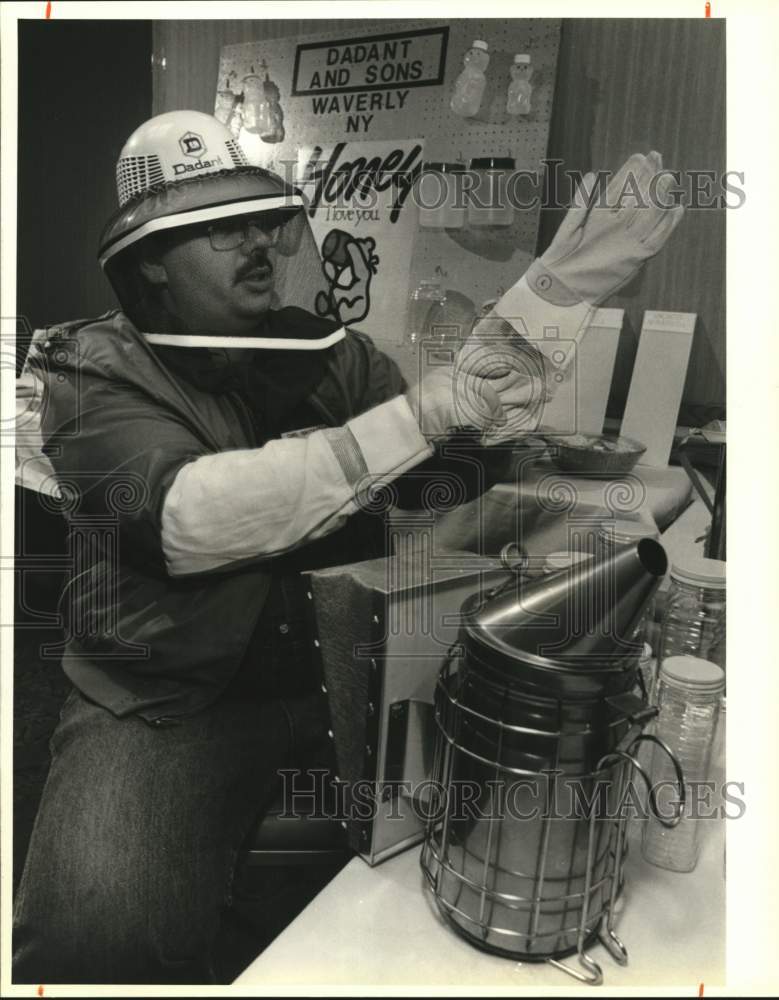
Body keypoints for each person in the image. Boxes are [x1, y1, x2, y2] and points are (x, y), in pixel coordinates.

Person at [12, 110, 683, 985]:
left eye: (258, 219)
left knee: (441, 899)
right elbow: (189, 518)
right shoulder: (86, 369)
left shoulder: (331, 352)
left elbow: (447, 465)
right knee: (92, 941)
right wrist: (425, 412)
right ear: (150, 262)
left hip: (346, 672)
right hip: (169, 697)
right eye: (215, 228)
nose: (253, 241)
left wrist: (548, 309)